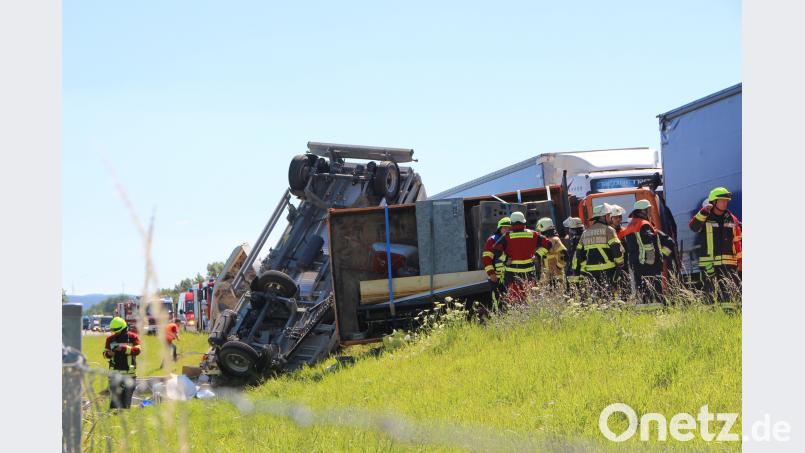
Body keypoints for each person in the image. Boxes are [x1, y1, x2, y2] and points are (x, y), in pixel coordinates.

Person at [689, 187, 742, 303]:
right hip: (709, 265)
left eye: (726, 201)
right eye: (722, 200)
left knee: (729, 296)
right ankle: (711, 314)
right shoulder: (705, 217)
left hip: (728, 265)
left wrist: (740, 261)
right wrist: (703, 212)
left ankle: (728, 314)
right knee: (709, 296)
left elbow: (737, 241)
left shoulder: (732, 219)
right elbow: (693, 227)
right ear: (713, 202)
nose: (725, 203)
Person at [493, 211, 552, 304]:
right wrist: (537, 255)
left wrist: (505, 259)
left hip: (512, 274)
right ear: (524, 222)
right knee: (530, 299)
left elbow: (496, 249)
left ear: (512, 223)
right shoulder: (533, 234)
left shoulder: (507, 236)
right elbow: (549, 244)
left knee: (515, 300)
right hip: (529, 273)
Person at [621, 200, 672, 303]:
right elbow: (648, 244)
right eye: (649, 209)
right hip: (648, 265)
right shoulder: (644, 224)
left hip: (637, 264)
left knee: (642, 291)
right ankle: (658, 308)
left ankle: (646, 308)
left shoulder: (630, 225)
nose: (650, 212)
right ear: (643, 211)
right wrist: (654, 261)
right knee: (655, 291)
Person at [573, 203, 625, 298]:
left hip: (591, 271)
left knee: (597, 297)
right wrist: (620, 263)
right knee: (609, 295)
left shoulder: (585, 233)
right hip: (608, 270)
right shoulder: (609, 230)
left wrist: (586, 265)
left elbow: (579, 253)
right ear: (602, 217)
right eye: (608, 215)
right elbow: (616, 249)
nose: (610, 218)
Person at [103, 317, 141, 409]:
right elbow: (105, 353)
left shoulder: (132, 337)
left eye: (116, 330)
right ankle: (113, 415)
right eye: (113, 330)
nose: (115, 332)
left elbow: (138, 350)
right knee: (115, 401)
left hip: (129, 374)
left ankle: (124, 415)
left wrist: (124, 348)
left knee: (126, 402)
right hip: (114, 374)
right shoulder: (110, 339)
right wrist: (109, 354)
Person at [482, 216, 512, 306]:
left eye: (509, 228)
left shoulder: (512, 239)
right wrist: (491, 274)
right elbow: (487, 258)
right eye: (505, 228)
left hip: (510, 275)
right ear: (500, 229)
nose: (507, 230)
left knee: (510, 301)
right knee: (498, 301)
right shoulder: (492, 240)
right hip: (497, 277)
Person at [536, 217, 567, 289]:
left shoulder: (554, 240)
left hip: (556, 277)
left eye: (540, 229)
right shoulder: (547, 241)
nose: (539, 232)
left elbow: (565, 254)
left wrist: (558, 267)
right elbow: (539, 254)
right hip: (548, 277)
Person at [563, 217, 585, 291]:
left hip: (576, 269)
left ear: (573, 230)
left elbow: (574, 255)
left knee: (575, 289)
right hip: (580, 268)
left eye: (570, 229)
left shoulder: (576, 240)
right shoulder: (582, 237)